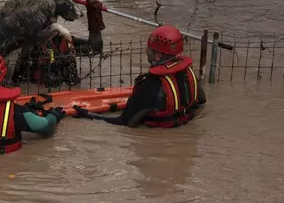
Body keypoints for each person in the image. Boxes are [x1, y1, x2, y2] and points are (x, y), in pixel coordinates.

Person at [72, 25, 207, 127]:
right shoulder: (188, 73)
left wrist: (87, 115)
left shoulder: (150, 84)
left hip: (155, 142)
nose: (146, 51)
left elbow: (123, 122)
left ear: (158, 55)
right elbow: (202, 101)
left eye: (149, 49)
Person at [11, 0, 106, 87]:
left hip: (66, 94)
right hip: (38, 95)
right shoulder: (27, 44)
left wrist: (94, 16)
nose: (51, 19)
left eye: (54, 15)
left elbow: (95, 48)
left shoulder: (64, 40)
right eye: (46, 16)